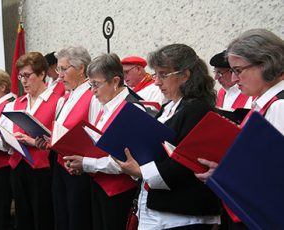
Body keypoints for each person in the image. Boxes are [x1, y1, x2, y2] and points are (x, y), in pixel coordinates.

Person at [117, 44, 221, 229]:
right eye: (156, 74)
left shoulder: (198, 109)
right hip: (157, 208)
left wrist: (140, 171)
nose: (156, 82)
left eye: (163, 75)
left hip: (181, 215)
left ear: (185, 75)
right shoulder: (169, 107)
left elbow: (185, 162)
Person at [196, 28, 284, 230]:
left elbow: (274, 176)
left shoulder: (280, 106)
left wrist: (225, 174)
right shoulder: (266, 103)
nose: (234, 80)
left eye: (238, 70)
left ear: (264, 64)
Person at [64, 53, 144, 230]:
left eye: (96, 85)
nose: (92, 91)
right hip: (99, 186)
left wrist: (86, 163)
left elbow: (124, 160)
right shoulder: (105, 105)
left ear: (115, 81)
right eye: (91, 84)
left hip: (119, 193)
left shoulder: (133, 108)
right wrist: (79, 162)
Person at [36, 46, 93, 230]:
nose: (59, 75)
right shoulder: (67, 97)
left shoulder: (92, 95)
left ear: (81, 68)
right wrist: (48, 140)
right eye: (58, 69)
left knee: (77, 221)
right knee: (62, 219)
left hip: (79, 171)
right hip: (60, 165)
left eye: (64, 69)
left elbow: (94, 134)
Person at [2, 52, 61, 230]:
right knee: (23, 219)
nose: (23, 81)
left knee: (43, 217)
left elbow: (60, 138)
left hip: (43, 169)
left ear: (42, 74)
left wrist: (32, 141)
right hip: (18, 166)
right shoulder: (15, 103)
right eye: (21, 76)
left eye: (28, 75)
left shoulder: (57, 102)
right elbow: (5, 134)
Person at [0, 69, 16, 230]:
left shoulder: (9, 106)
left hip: (2, 167)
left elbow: (8, 141)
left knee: (0, 213)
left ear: (2, 87)